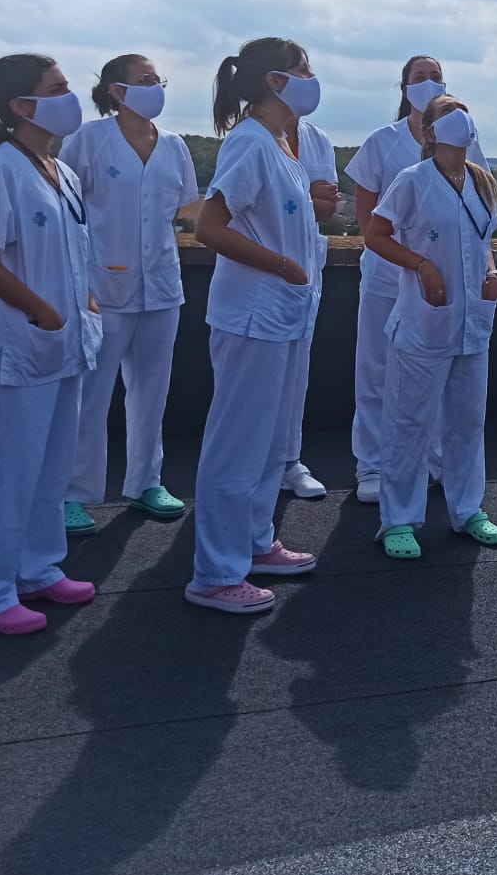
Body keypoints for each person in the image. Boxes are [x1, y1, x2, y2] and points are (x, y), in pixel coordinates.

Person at [0, 53, 102, 635]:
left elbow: (71, 252)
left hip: (65, 347)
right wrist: (39, 309)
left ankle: (38, 567)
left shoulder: (59, 171)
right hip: (21, 346)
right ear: (21, 106)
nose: (72, 97)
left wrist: (84, 302)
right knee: (6, 471)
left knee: (51, 466)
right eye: (58, 88)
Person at [186, 37, 326, 614]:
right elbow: (209, 228)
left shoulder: (282, 146)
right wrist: (280, 264)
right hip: (253, 315)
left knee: (271, 440)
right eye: (303, 70)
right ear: (275, 82)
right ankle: (215, 574)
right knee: (238, 442)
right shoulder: (249, 143)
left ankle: (254, 543)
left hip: (285, 314)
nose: (313, 78)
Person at [59, 54, 199, 533]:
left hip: (161, 286)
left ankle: (145, 482)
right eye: (145, 81)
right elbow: (65, 210)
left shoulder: (175, 146)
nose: (155, 87)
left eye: (158, 79)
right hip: (103, 289)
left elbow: (190, 208)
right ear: (116, 92)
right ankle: (71, 494)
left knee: (152, 393)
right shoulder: (89, 141)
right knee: (90, 396)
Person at [364, 94, 497, 559]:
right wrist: (421, 266)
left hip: (471, 322)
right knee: (409, 422)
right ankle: (399, 520)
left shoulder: (482, 183)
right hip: (425, 322)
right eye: (446, 112)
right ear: (429, 133)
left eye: (462, 107)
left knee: (468, 421)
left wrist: (490, 271)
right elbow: (376, 234)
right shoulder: (413, 181)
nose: (459, 116)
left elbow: (484, 239)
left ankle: (468, 510)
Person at [344, 56, 489, 503]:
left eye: (436, 76)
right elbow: (370, 221)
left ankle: (438, 461)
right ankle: (372, 465)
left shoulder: (468, 144)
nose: (429, 83)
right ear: (404, 88)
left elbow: (479, 211)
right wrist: (411, 260)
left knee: (444, 377)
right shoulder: (381, 144)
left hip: (446, 287)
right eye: (419, 77)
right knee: (376, 371)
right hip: (388, 277)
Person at [278, 113, 341, 499]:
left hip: (306, 275)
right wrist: (308, 195)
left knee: (296, 378)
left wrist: (306, 200)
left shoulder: (318, 139)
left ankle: (289, 462)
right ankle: (260, 467)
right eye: (301, 73)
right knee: (258, 389)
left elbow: (328, 209)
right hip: (264, 274)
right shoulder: (251, 139)